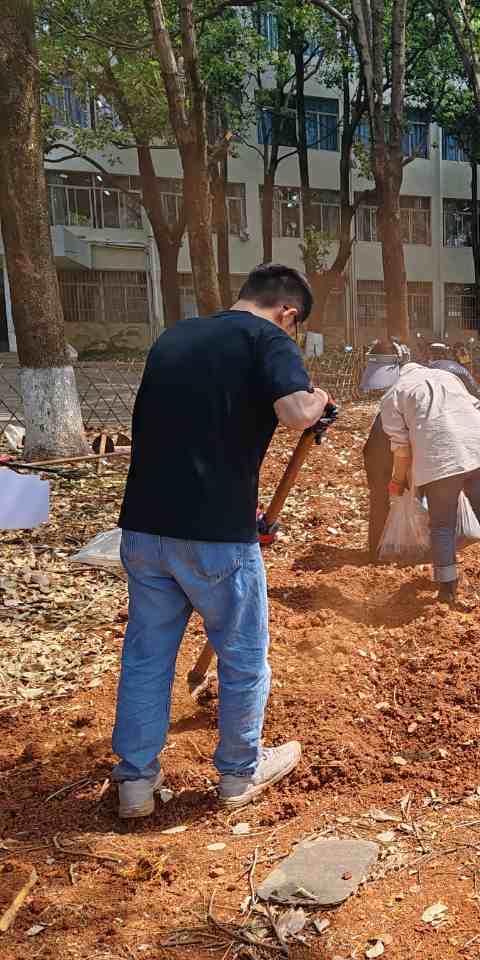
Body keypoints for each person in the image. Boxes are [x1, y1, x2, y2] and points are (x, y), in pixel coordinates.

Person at [112, 264, 330, 819]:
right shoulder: (268, 339)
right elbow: (293, 411)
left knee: (146, 658)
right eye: (295, 324)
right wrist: (320, 400)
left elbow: (196, 431)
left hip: (143, 529)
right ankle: (239, 772)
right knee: (243, 656)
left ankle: (134, 783)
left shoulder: (176, 335)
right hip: (213, 541)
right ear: (288, 312)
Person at [380, 363, 480, 617]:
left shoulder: (394, 394)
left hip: (441, 464)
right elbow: (471, 409)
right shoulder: (446, 377)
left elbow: (401, 449)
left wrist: (397, 480)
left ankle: (448, 591)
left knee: (442, 526)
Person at [364, 353, 480, 558]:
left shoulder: (425, 391)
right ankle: (380, 550)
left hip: (402, 447)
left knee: (420, 493)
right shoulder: (412, 396)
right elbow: (402, 450)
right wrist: (398, 480)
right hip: (384, 452)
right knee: (387, 495)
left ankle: (393, 547)